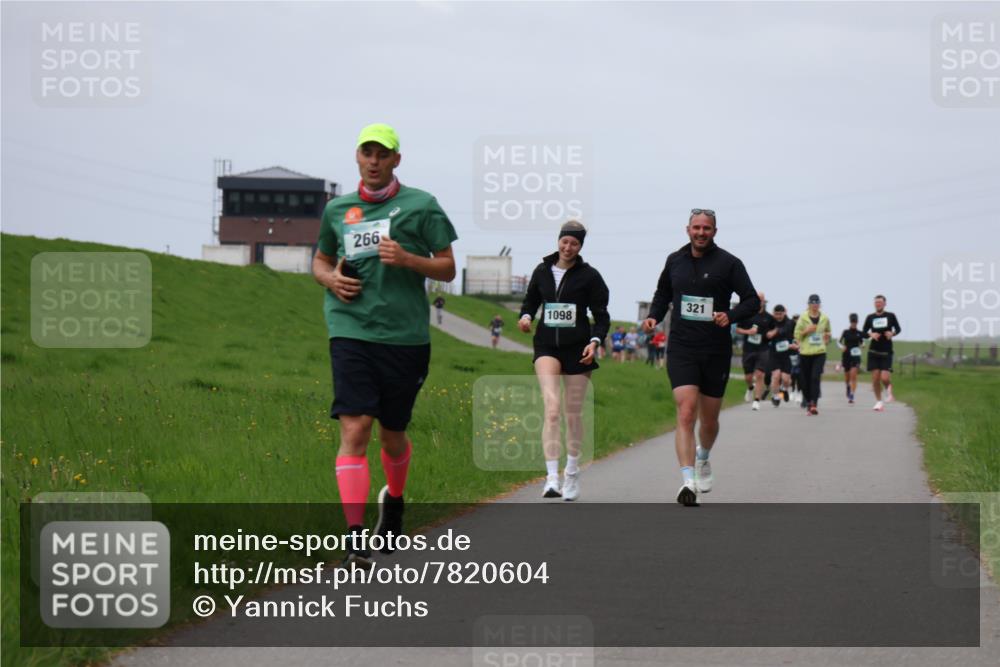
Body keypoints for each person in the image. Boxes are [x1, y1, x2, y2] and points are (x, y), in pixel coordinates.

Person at [312, 123, 458, 567]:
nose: (373, 161)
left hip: (405, 337)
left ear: (397, 159)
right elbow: (319, 258)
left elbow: (448, 268)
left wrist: (409, 260)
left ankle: (394, 503)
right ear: (357, 157)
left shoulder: (421, 206)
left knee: (392, 434)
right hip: (351, 329)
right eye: (366, 153)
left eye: (383, 154)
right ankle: (355, 537)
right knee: (355, 427)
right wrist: (330, 278)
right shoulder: (338, 209)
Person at [642, 209, 759, 506]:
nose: (701, 232)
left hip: (715, 349)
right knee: (685, 411)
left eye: (707, 228)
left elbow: (751, 301)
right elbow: (662, 294)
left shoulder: (729, 263)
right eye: (696, 227)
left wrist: (729, 316)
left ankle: (703, 457)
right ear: (687, 229)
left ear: (715, 231)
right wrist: (654, 317)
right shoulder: (674, 261)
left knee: (709, 420)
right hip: (681, 347)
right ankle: (688, 481)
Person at [519, 220, 610, 501]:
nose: (568, 247)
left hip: (578, 349)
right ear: (558, 241)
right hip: (546, 345)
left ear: (581, 246)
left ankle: (571, 472)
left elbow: (601, 315)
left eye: (574, 243)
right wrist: (525, 317)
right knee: (552, 409)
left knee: (572, 413)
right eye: (565, 242)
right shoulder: (542, 270)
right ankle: (551, 478)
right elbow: (530, 301)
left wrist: (595, 342)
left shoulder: (590, 276)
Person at [734, 292, 774, 411]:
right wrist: (748, 332)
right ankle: (750, 387)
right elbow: (737, 329)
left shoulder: (768, 317)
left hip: (763, 349)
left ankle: (757, 400)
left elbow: (775, 329)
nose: (759, 302)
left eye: (761, 300)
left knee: (760, 374)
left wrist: (772, 333)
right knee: (748, 377)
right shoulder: (747, 315)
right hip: (749, 349)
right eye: (757, 300)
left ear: (764, 302)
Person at [793, 294, 832, 416]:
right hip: (805, 353)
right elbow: (797, 335)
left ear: (819, 304)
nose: (815, 305)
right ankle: (809, 401)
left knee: (815, 377)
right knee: (804, 380)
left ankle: (814, 404)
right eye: (812, 303)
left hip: (820, 352)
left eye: (817, 303)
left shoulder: (824, 318)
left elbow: (828, 331)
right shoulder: (803, 318)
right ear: (808, 304)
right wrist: (806, 331)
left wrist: (827, 337)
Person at [863, 295, 902, 412]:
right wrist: (871, 335)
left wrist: (892, 334)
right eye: (876, 302)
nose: (878, 304)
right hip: (873, 351)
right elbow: (864, 332)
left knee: (884, 378)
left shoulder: (890, 316)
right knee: (875, 379)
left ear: (885, 304)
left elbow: (898, 329)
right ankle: (879, 402)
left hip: (886, 351)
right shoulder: (870, 317)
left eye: (880, 302)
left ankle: (889, 389)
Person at [766, 304, 797, 407]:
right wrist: (767, 335)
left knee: (786, 379)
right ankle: (776, 396)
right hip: (774, 354)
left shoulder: (791, 323)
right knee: (776, 376)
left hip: (786, 354)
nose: (778, 316)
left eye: (780, 314)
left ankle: (783, 389)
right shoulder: (771, 322)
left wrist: (796, 344)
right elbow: (765, 333)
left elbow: (789, 331)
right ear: (773, 313)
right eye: (776, 314)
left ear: (785, 312)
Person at [838, 313, 866, 405]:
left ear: (857, 322)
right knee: (847, 376)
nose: (854, 323)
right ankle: (847, 387)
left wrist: (862, 345)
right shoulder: (845, 332)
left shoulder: (859, 333)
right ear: (850, 322)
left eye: (855, 322)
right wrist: (842, 347)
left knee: (853, 375)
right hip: (846, 356)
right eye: (852, 322)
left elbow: (863, 343)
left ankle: (852, 395)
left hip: (856, 356)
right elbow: (838, 342)